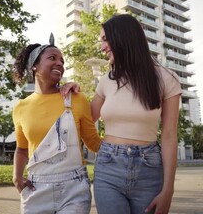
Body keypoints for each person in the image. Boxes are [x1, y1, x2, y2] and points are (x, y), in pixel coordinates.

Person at [62, 14, 182, 214]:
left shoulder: (167, 78)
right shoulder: (107, 80)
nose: (102, 47)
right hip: (108, 166)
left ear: (124, 37)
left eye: (105, 39)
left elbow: (170, 135)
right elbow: (86, 119)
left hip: (149, 169)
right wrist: (75, 92)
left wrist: (168, 190)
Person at [11, 41, 102, 214]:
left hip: (74, 190)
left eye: (62, 61)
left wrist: (125, 141)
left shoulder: (76, 98)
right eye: (52, 58)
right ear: (34, 66)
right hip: (35, 189)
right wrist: (16, 176)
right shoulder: (20, 108)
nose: (60, 63)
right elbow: (22, 149)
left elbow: (93, 142)